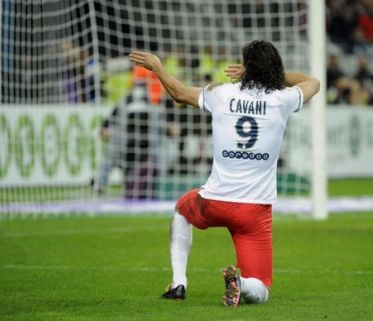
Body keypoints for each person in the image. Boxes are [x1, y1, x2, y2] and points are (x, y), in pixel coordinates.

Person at [129, 40, 320, 306]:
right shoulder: (282, 100)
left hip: (214, 201)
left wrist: (158, 67)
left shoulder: (222, 93)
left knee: (183, 210)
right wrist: (265, 74)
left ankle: (178, 282)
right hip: (254, 211)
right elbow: (313, 82)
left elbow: (179, 93)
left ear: (246, 66)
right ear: (274, 67)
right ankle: (240, 283)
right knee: (261, 290)